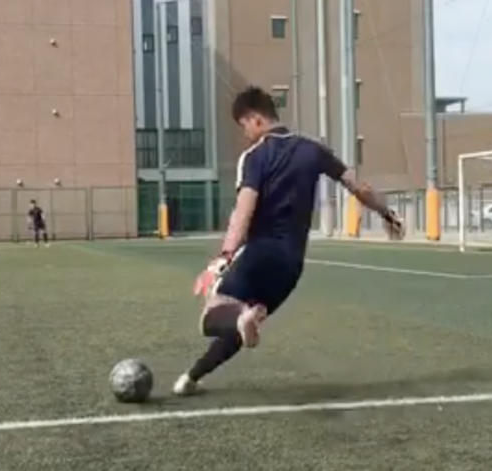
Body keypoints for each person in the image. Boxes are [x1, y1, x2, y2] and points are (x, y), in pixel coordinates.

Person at [172, 86, 404, 396]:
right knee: (242, 323)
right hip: (292, 264)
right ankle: (191, 378)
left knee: (213, 316)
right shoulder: (313, 150)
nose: (245, 134)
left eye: (243, 126)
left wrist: (224, 256)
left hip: (259, 253)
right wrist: (387, 213)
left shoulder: (255, 156)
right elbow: (358, 187)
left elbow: (244, 210)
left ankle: (239, 320)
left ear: (255, 118)